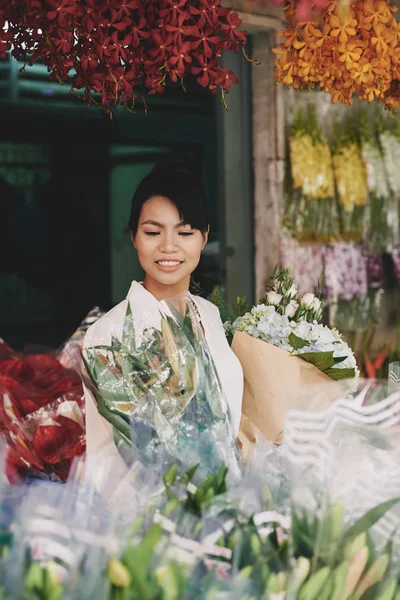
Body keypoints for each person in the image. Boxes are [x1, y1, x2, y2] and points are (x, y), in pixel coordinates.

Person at [83, 160, 243, 493]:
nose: (169, 246)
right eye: (153, 232)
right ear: (133, 237)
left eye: (184, 232)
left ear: (204, 237)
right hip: (153, 523)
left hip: (227, 510)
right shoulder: (108, 334)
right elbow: (103, 457)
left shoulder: (209, 315)